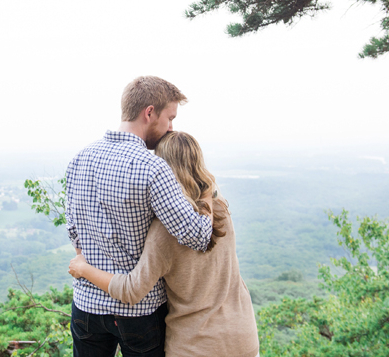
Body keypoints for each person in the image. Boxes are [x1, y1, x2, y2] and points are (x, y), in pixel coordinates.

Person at [69, 131, 260, 357]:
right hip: (244, 338)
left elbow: (132, 290)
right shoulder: (220, 209)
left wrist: (83, 269)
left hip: (195, 346)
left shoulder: (166, 231)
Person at [65, 76, 213, 357]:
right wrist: (206, 190)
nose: (171, 127)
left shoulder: (78, 159)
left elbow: (74, 232)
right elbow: (198, 236)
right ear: (149, 113)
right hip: (140, 313)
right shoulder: (152, 168)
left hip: (86, 305)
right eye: (169, 117)